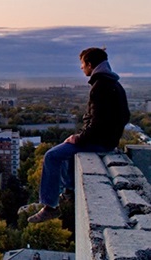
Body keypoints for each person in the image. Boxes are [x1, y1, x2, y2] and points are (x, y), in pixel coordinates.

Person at [23, 47, 130, 223]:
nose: (81, 68)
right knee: (70, 151)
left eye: (82, 64)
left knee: (52, 156)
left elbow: (96, 123)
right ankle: (70, 192)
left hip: (100, 142)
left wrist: (80, 138)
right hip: (107, 141)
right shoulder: (113, 84)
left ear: (89, 64)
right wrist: (108, 135)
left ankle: (50, 206)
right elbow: (124, 116)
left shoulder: (100, 86)